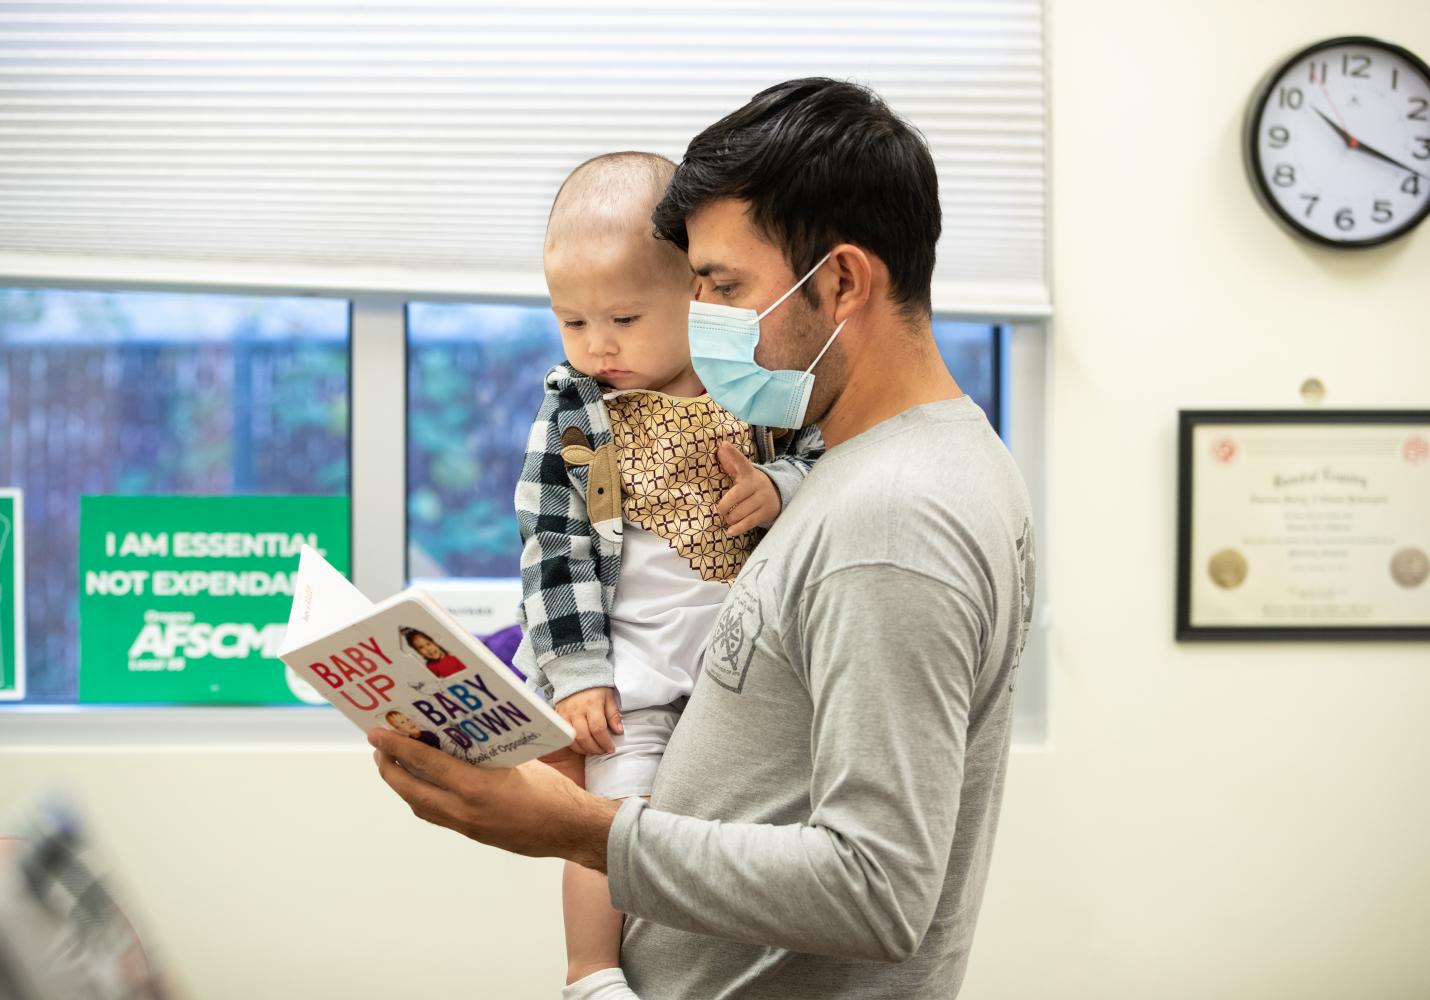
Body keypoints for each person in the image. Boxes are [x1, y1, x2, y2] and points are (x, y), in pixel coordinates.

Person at [371, 77, 1036, 1000]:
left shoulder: (893, 520)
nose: (706, 320)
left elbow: (878, 891)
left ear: (841, 281)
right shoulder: (869, 469)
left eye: (723, 288)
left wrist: (573, 827)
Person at [512, 150, 822, 995]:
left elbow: (825, 458)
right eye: (571, 322)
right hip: (635, 672)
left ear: (695, 294)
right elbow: (552, 544)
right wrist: (577, 674)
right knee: (610, 818)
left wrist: (779, 487)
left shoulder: (754, 382)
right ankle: (591, 971)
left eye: (621, 318)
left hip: (743, 669)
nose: (596, 345)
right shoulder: (577, 405)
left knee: (735, 832)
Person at [398, 626, 466, 678]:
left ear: (435, 643)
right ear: (419, 653)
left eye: (428, 644)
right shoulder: (430, 668)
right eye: (421, 647)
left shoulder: (453, 658)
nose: (428, 649)